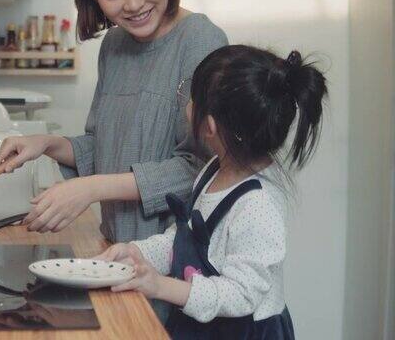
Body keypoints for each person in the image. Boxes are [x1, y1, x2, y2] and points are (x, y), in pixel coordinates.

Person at [0, 0, 228, 243]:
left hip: (176, 262)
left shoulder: (201, 41)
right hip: (117, 248)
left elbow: (204, 168)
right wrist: (45, 144)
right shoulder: (114, 46)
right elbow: (104, 147)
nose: (133, 4)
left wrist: (91, 188)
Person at [97, 45, 327, 338]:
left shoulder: (258, 204)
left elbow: (242, 295)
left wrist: (160, 286)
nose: (186, 105)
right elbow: (183, 241)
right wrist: (137, 252)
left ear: (209, 125)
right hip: (202, 324)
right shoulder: (213, 170)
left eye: (191, 98)